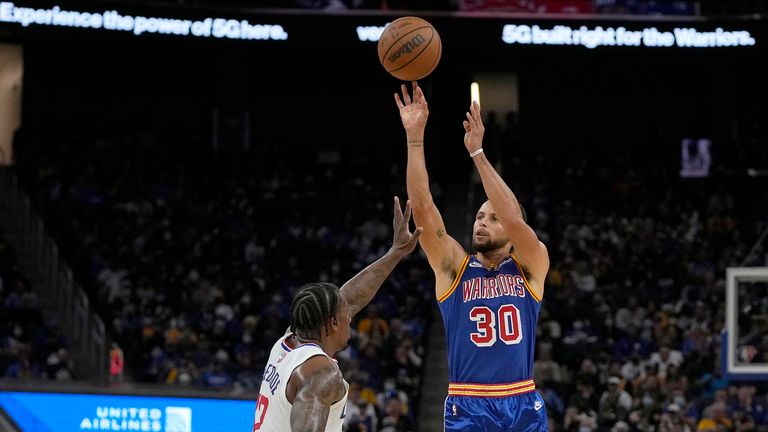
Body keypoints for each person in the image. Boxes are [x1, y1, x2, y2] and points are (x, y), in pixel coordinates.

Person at [395, 81, 549, 431]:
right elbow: (422, 207)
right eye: (480, 216)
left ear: (511, 234)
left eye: (492, 218)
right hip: (468, 403)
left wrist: (477, 153)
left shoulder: (531, 264)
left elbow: (513, 217)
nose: (482, 222)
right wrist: (415, 136)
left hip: (522, 401)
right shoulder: (454, 270)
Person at [253, 197, 422, 432]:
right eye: (345, 316)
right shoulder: (321, 374)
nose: (351, 317)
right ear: (332, 323)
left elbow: (349, 298)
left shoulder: (288, 341)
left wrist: (396, 253)